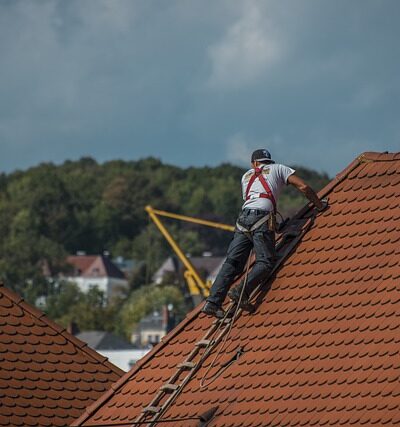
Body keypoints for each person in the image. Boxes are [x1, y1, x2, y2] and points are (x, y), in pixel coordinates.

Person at [202, 149, 327, 318]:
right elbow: (303, 187)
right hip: (261, 218)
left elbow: (254, 200)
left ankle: (213, 302)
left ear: (254, 163)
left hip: (243, 220)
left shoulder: (246, 176)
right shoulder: (279, 168)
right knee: (266, 261)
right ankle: (241, 291)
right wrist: (319, 205)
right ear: (269, 161)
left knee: (232, 263)